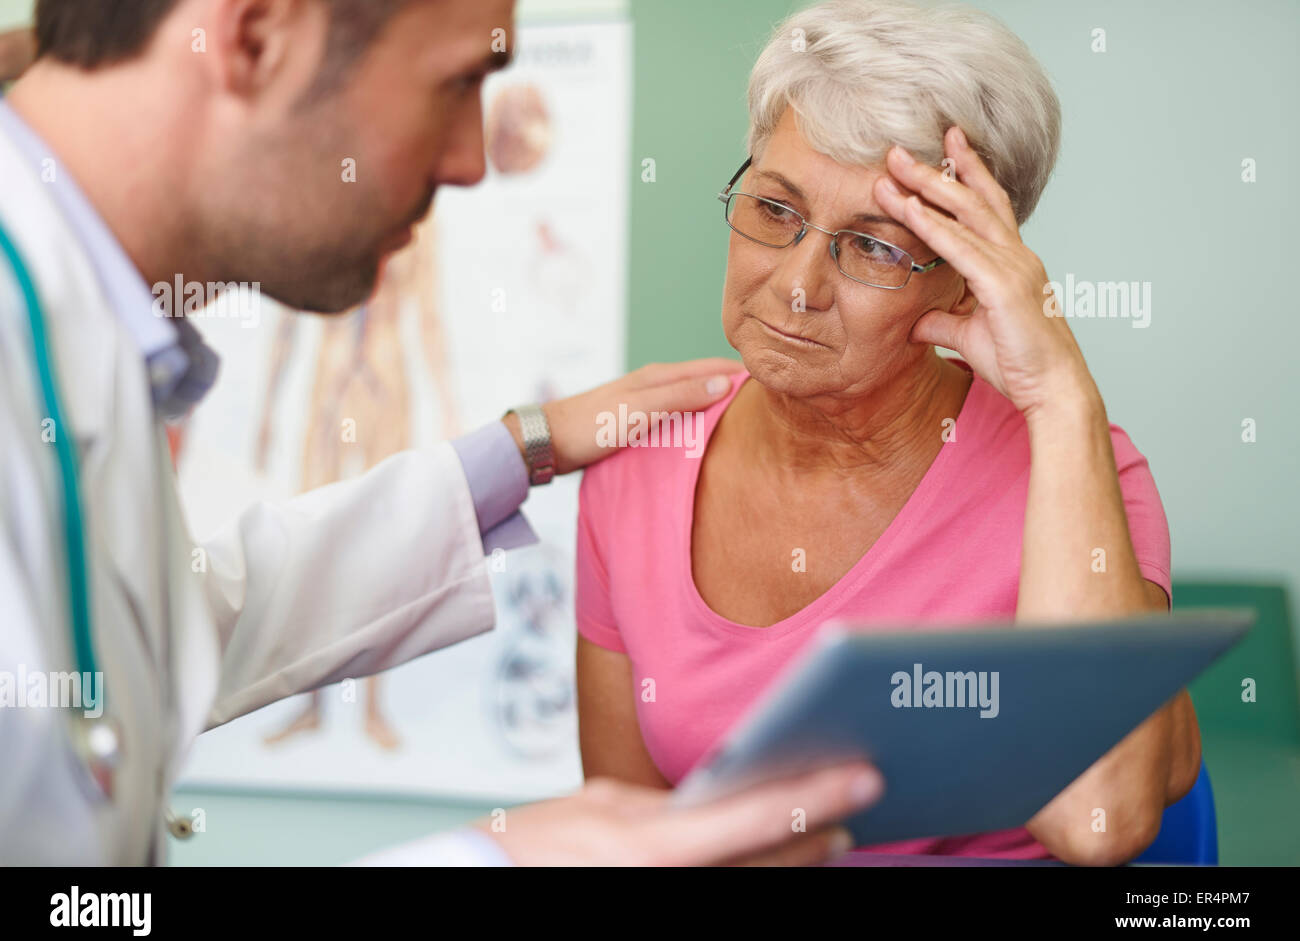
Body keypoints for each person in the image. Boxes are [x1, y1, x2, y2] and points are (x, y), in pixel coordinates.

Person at [0, 0, 884, 866]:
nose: (472, 161)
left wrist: (519, 451)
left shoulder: (75, 334)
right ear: (257, 37)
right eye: (458, 80)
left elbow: (172, 626)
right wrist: (496, 860)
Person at [575, 0, 1198, 867]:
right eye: (774, 207)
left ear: (969, 280)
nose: (797, 285)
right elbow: (626, 845)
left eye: (873, 247)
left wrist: (1060, 397)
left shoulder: (1082, 468)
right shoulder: (635, 466)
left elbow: (1102, 821)